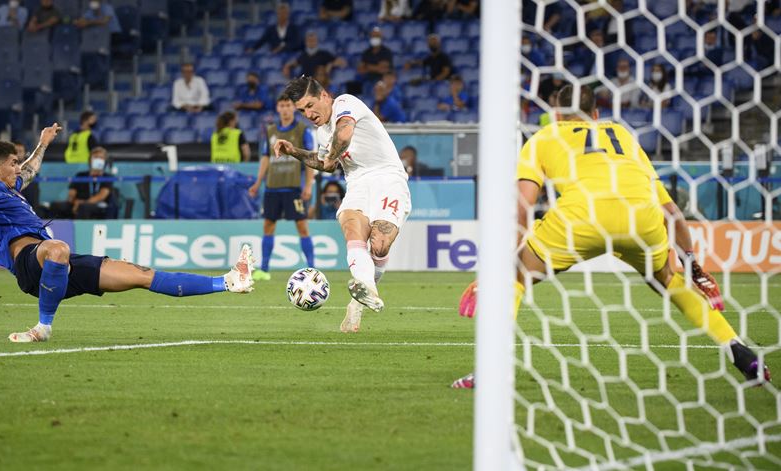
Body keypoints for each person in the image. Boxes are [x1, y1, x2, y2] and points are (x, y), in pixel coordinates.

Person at [451, 85, 770, 388]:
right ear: (595, 112)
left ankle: (489, 372)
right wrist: (693, 266)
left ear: (558, 114)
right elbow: (671, 211)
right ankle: (738, 350)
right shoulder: (622, 135)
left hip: (581, 216)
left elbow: (523, 206)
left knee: (514, 278)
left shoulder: (545, 136)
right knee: (668, 279)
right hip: (640, 219)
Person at [0, 124, 255, 343]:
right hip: (30, 263)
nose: (19, 168)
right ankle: (43, 327)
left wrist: (43, 143)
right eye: (13, 163)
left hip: (55, 267)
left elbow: (30, 171)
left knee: (140, 274)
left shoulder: (8, 186)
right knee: (58, 248)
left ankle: (229, 281)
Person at [279, 76, 412, 333]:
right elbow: (323, 163)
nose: (308, 114)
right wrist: (293, 151)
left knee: (380, 243)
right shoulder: (321, 133)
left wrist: (330, 157)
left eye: (310, 105)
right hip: (358, 184)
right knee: (352, 229)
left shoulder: (345, 103)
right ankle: (366, 291)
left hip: (388, 177)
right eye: (302, 111)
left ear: (325, 96)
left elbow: (345, 132)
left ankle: (357, 301)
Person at [248, 94, 316, 281]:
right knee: (268, 226)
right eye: (281, 105)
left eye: (288, 105)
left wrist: (308, 185)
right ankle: (264, 269)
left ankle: (313, 269)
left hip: (293, 187)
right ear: (277, 108)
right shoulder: (270, 131)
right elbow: (265, 158)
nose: (285, 109)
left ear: (294, 107)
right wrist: (258, 182)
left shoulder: (303, 130)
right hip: (272, 187)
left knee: (302, 226)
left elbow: (310, 159)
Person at [51, 147, 115, 219]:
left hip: (96, 205)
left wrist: (83, 203)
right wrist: (75, 202)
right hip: (77, 202)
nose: (98, 160)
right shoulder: (80, 175)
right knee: (56, 205)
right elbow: (71, 194)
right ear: (90, 160)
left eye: (101, 158)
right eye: (96, 157)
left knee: (83, 208)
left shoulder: (107, 177)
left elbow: (101, 196)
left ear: (105, 161)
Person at [282, 31, 347, 78]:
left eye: (313, 40)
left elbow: (341, 62)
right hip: (305, 84)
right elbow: (296, 62)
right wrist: (287, 66)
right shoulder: (303, 55)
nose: (311, 42)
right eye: (309, 40)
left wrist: (331, 64)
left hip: (319, 83)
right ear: (306, 42)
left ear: (317, 41)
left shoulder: (324, 54)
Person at [14, 142, 42, 214]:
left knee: (32, 185)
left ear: (25, 153)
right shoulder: (6, 167)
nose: (17, 154)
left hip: (29, 194)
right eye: (15, 151)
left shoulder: (31, 168)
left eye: (20, 151)